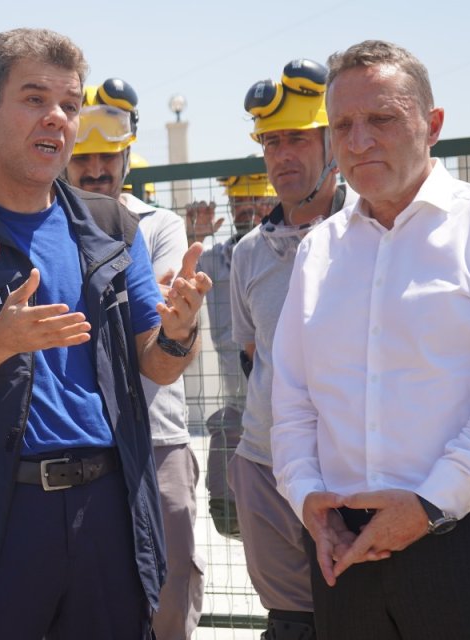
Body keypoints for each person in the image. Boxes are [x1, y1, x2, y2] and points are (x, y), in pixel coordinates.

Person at [0, 28, 210, 639]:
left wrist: (179, 333)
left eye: (69, 105)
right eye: (34, 98)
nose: (56, 118)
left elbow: (153, 367)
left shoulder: (113, 226)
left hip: (106, 512)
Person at [270, 40, 470, 639]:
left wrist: (428, 507)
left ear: (432, 126)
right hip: (345, 551)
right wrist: (308, 501)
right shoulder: (318, 251)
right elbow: (293, 401)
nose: (358, 141)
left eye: (381, 119)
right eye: (343, 124)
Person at [64, 76, 205, 639]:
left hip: (158, 437)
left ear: (127, 156)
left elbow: (149, 326)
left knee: (169, 593)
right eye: (84, 156)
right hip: (80, 440)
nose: (96, 167)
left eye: (107, 155)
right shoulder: (44, 230)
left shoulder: (159, 227)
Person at [227, 58, 352, 640]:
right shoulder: (249, 252)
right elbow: (254, 352)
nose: (282, 156)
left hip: (347, 475)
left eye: (297, 139)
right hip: (263, 467)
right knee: (291, 624)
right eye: (271, 142)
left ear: (333, 141)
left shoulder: (372, 234)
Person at [187, 172, 276, 540]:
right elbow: (179, 273)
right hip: (238, 411)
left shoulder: (293, 254)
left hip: (287, 409)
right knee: (228, 520)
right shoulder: (217, 260)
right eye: (243, 203)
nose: (252, 213)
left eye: (260, 203)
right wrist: (193, 236)